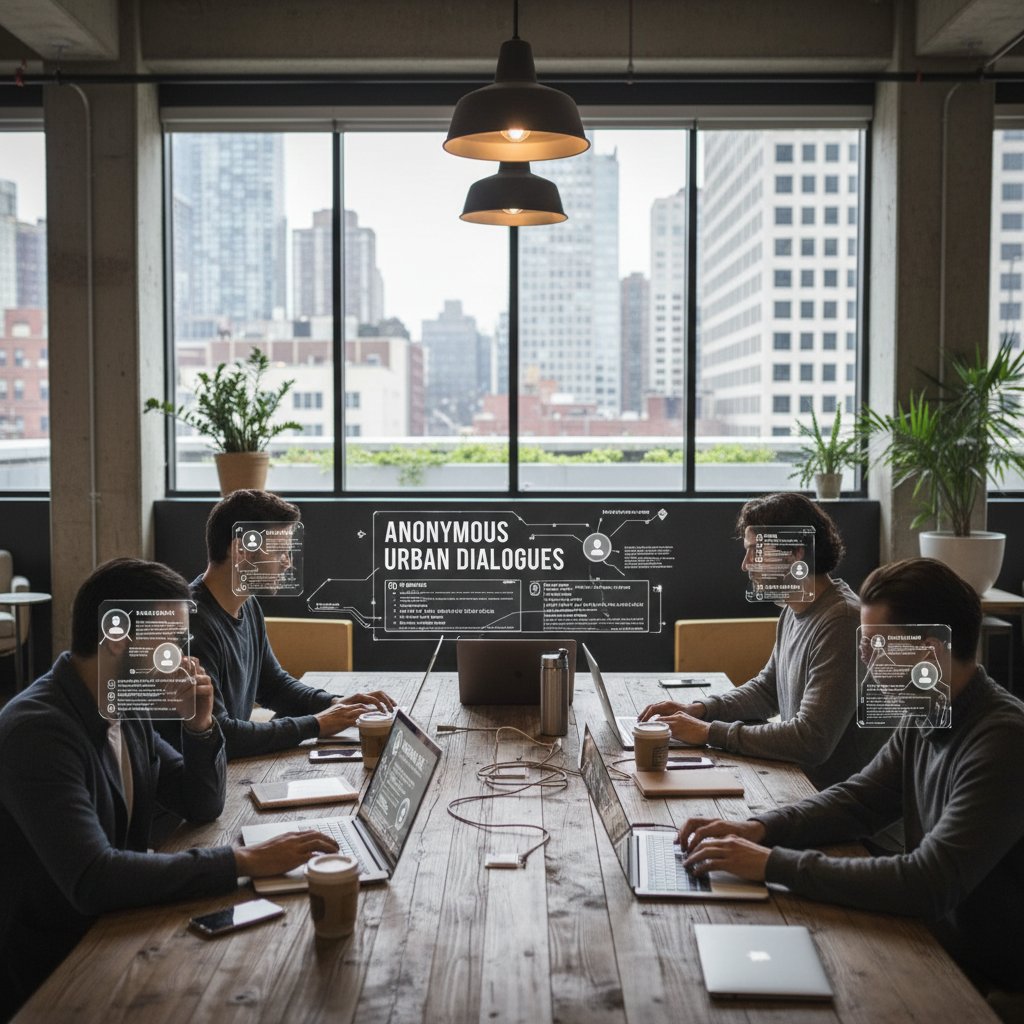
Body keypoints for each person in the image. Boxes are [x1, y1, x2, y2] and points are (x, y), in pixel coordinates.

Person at [0, 558, 340, 1020]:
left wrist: (199, 725)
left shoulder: (126, 704)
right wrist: (243, 861)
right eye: (173, 642)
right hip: (51, 972)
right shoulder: (37, 733)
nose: (184, 658)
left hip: (117, 927)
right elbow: (93, 879)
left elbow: (200, 804)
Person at [677, 558, 1024, 998]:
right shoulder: (928, 711)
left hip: (987, 981)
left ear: (930, 652)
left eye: (876, 645)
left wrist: (770, 864)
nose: (864, 659)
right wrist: (760, 828)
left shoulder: (1004, 741)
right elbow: (859, 800)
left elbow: (928, 883)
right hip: (930, 940)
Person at [639, 492, 887, 789]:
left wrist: (708, 732)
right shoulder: (794, 608)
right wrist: (699, 710)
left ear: (796, 553)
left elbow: (812, 739)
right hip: (799, 782)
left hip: (835, 800)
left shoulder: (843, 621)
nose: (745, 565)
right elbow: (768, 690)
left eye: (755, 551)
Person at [172, 489, 395, 760]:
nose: (288, 563)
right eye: (280, 551)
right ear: (241, 550)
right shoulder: (192, 624)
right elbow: (222, 735)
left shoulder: (247, 604)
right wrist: (317, 724)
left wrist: (334, 703)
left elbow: (274, 686)